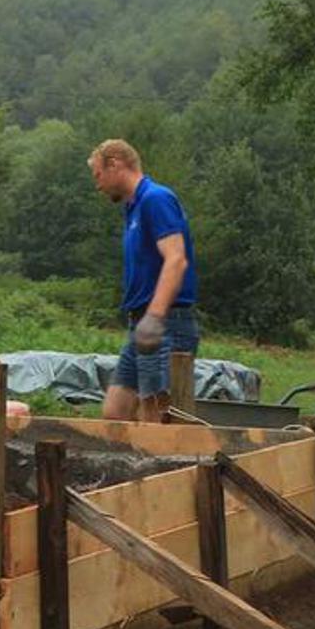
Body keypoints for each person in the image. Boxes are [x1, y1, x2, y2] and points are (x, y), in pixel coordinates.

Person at [89, 138, 198, 424]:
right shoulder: (133, 208)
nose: (97, 185)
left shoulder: (155, 199)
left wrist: (155, 317)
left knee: (156, 416)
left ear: (115, 164)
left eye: (98, 175)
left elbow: (176, 259)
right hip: (141, 324)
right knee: (115, 412)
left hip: (164, 322)